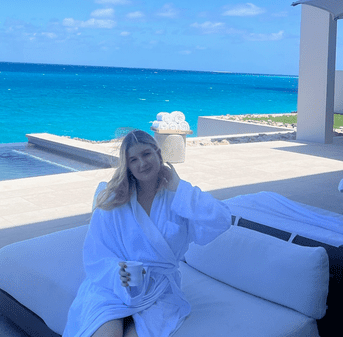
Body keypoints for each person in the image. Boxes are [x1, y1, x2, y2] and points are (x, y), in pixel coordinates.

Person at [62, 129, 231, 337]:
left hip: (159, 291)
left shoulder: (178, 198)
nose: (142, 163)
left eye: (146, 154)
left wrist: (179, 187)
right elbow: (97, 253)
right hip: (115, 286)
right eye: (133, 159)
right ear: (128, 167)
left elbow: (221, 220)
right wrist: (118, 273)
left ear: (158, 154)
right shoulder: (114, 200)